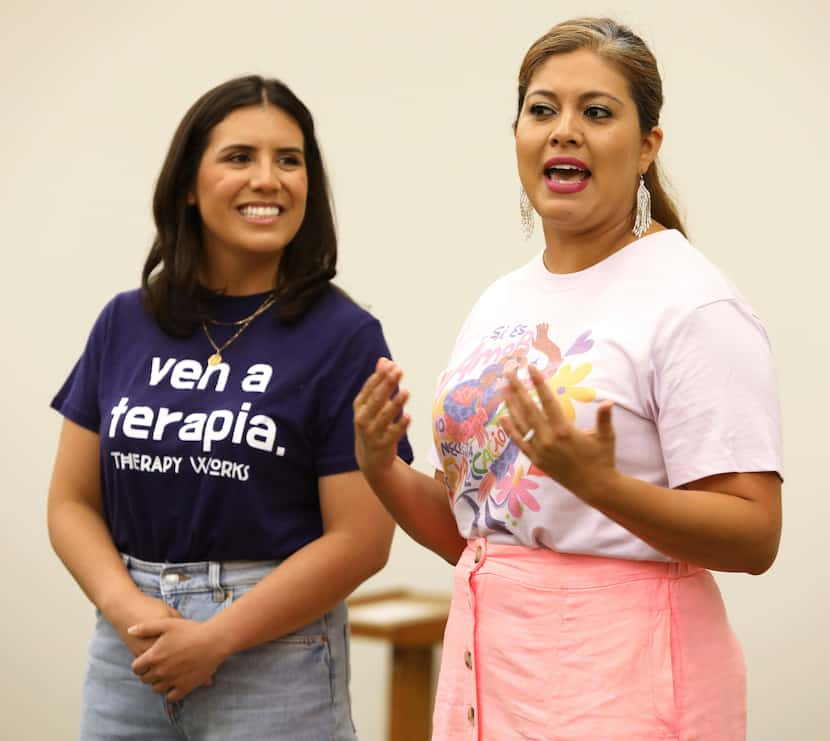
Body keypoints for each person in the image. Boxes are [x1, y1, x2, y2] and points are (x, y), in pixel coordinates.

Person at [353, 17, 781, 740]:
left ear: (648, 146)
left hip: (625, 685)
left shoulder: (692, 303)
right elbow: (480, 535)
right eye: (542, 110)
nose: (564, 130)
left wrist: (603, 486)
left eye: (598, 112)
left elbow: (755, 533)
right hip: (486, 677)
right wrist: (380, 468)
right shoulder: (501, 301)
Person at [48, 75, 412, 740]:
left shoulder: (344, 337)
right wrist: (133, 611)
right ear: (189, 183)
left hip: (275, 657)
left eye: (289, 159)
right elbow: (70, 502)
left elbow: (361, 539)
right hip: (130, 650)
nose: (268, 179)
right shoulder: (125, 321)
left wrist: (216, 638)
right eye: (240, 157)